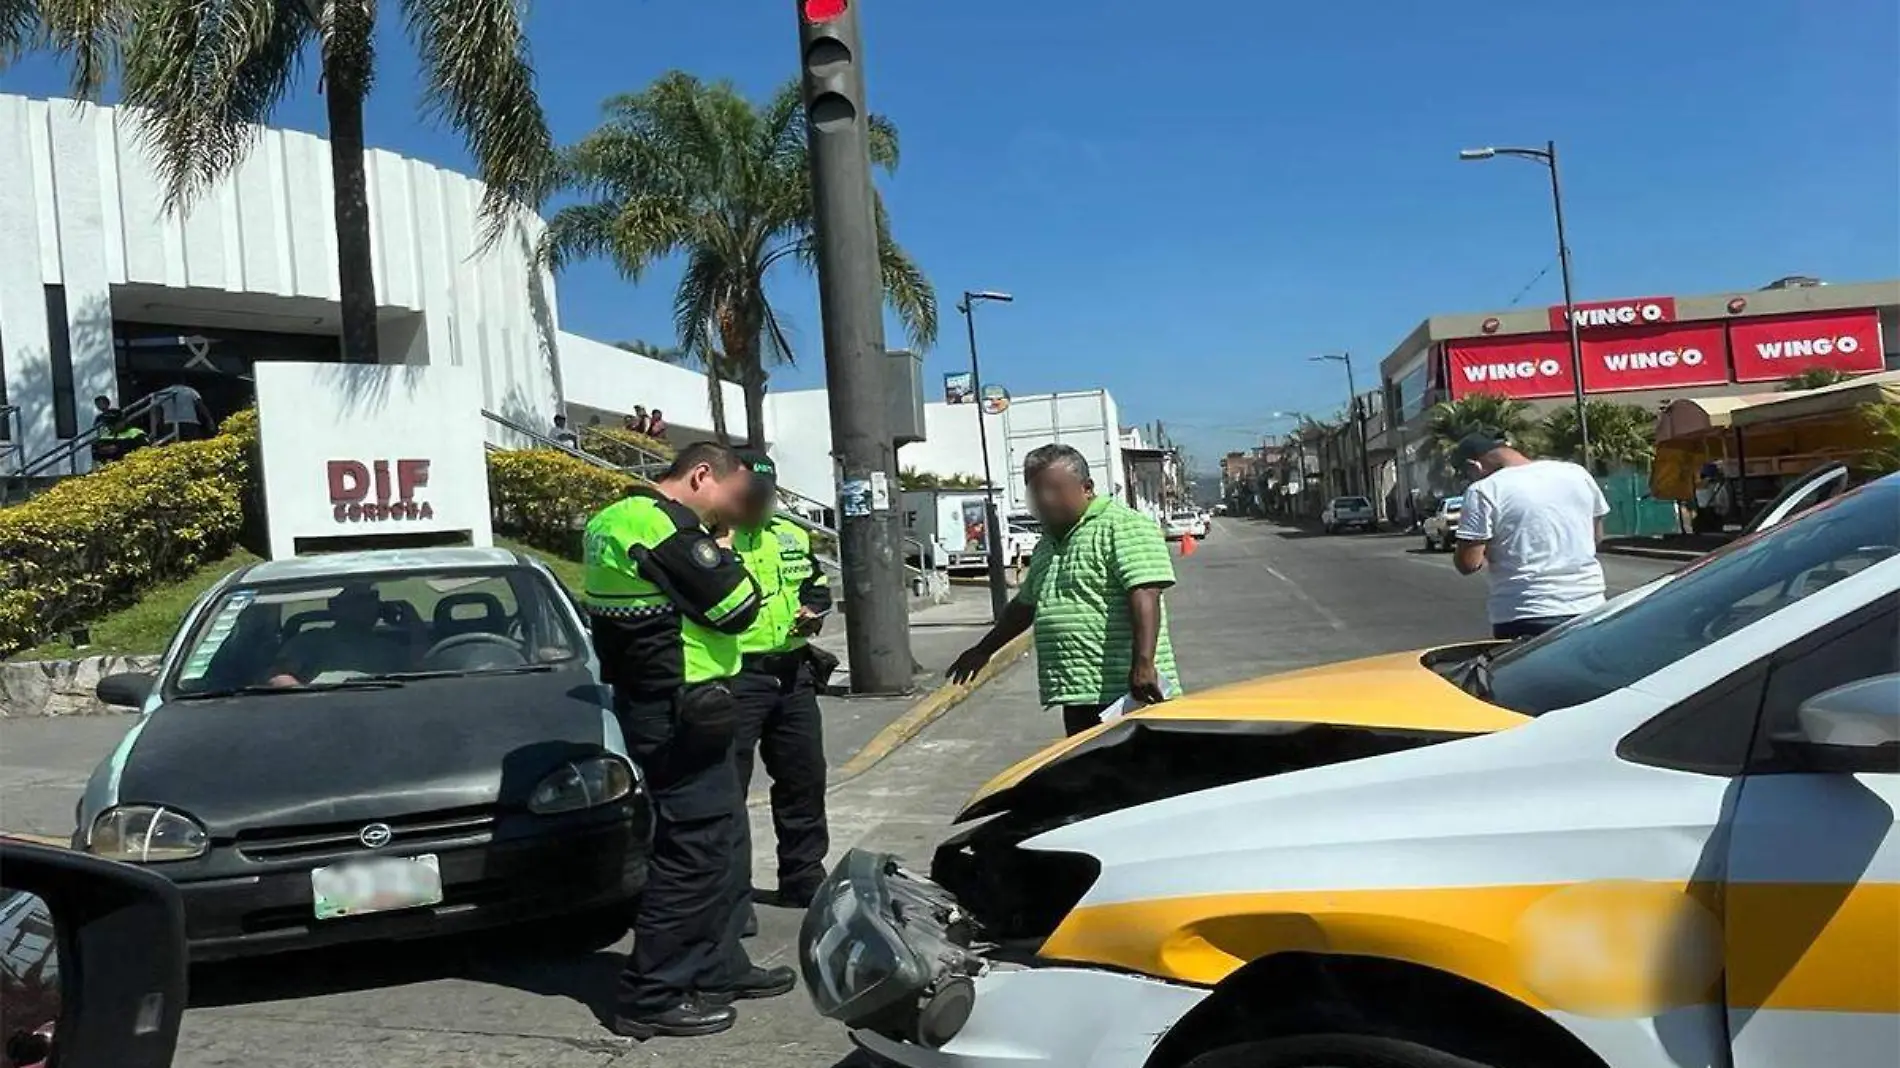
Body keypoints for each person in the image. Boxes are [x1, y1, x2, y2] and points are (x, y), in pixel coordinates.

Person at [580, 442, 794, 1040]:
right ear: (702, 476)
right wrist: (726, 555)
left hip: (690, 703)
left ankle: (718, 967)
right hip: (674, 708)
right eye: (733, 498)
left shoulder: (616, 518)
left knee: (721, 840)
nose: (737, 513)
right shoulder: (655, 522)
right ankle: (654, 992)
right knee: (692, 850)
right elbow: (735, 607)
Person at [949, 444, 1181, 737]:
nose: (1045, 499)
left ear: (1086, 488)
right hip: (1078, 690)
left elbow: (1145, 593)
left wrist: (1144, 664)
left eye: (1055, 489)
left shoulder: (1123, 526)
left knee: (1138, 776)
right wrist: (983, 651)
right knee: (1090, 777)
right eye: (1036, 491)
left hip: (1129, 691)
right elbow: (1025, 607)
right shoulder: (1048, 542)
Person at [727, 451, 832, 933]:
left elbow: (818, 585)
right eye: (752, 495)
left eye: (767, 495)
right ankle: (729, 895)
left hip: (792, 672)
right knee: (727, 788)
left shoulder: (789, 535)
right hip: (734, 675)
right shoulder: (712, 542)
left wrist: (814, 610)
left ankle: (803, 874)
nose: (761, 504)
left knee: (803, 776)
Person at [1451, 432, 1610, 640]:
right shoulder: (1577, 473)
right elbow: (1596, 537)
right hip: (1591, 606)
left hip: (1526, 612)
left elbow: (1468, 563)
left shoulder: (1484, 490)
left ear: (1474, 466)